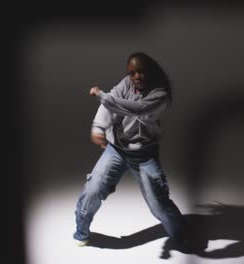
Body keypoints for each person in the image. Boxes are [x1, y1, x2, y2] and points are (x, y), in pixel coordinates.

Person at [73, 52, 188, 247]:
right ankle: (81, 232)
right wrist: (98, 127)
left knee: (158, 203)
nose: (136, 77)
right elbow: (110, 103)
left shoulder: (160, 93)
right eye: (132, 73)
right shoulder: (127, 83)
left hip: (144, 155)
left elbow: (136, 108)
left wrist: (102, 96)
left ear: (150, 70)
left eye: (141, 72)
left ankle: (182, 235)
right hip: (116, 150)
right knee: (93, 188)